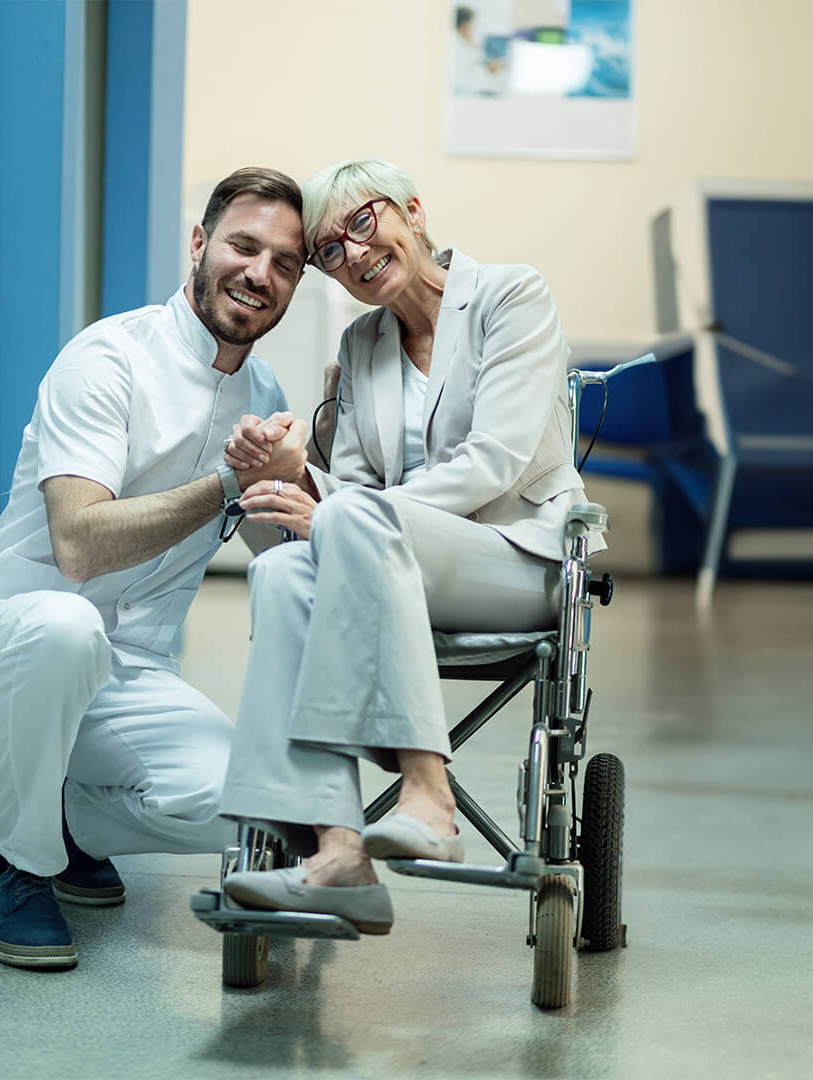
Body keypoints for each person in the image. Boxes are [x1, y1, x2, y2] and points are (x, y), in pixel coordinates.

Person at [0, 167, 311, 970]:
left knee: (265, 813)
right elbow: (79, 547)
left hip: (130, 672)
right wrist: (228, 484)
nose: (259, 273)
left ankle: (68, 823)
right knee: (66, 625)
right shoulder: (108, 358)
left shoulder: (265, 391)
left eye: (284, 263)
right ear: (200, 245)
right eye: (244, 246)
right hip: (2, 647)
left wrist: (301, 494)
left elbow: (274, 549)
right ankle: (22, 871)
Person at [210, 158, 603, 934]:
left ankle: (430, 795)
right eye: (328, 250)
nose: (352, 254)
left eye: (363, 223)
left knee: (351, 520)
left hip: (519, 560)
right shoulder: (363, 344)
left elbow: (496, 461)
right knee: (285, 570)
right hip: (392, 565)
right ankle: (336, 848)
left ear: (413, 212)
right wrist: (291, 470)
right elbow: (351, 481)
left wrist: (345, 509)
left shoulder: (510, 297)